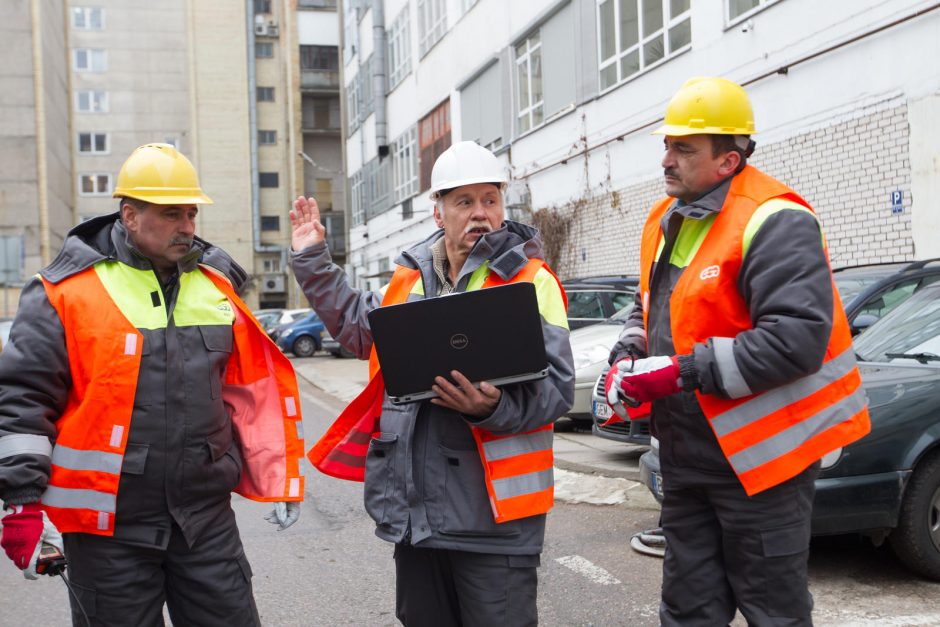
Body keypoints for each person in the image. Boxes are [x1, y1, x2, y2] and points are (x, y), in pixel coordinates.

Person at [0, 143, 305, 626]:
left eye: (190, 213)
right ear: (130, 215)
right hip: (106, 530)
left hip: (205, 521)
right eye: (171, 214)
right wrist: (21, 502)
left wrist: (279, 474)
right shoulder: (65, 291)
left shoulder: (215, 285)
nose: (187, 226)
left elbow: (248, 393)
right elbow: (23, 400)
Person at [604, 77, 871, 626]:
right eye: (666, 145)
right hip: (687, 458)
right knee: (688, 612)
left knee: (773, 612)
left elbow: (795, 339)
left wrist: (680, 373)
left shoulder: (775, 217)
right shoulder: (663, 220)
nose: (666, 160)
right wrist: (628, 354)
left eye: (683, 148)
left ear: (728, 161)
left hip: (764, 462)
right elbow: (651, 307)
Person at [290, 141, 574, 626]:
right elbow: (362, 331)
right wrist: (314, 260)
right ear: (439, 212)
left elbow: (558, 390)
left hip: (495, 520)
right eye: (464, 202)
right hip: (418, 517)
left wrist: (491, 408)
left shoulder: (531, 282)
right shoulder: (408, 278)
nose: (480, 213)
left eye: (490, 199)